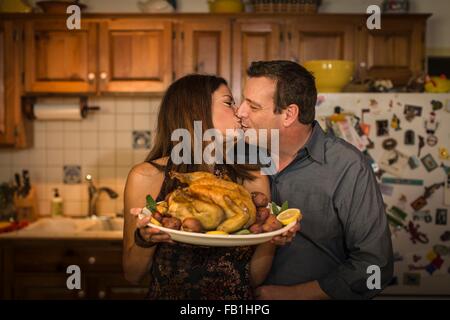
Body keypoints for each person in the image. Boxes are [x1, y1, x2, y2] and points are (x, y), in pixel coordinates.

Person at [122, 74, 298, 300]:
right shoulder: (147, 176)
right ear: (196, 109)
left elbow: (253, 278)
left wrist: (271, 237)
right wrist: (144, 239)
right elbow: (132, 274)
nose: (240, 112)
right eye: (229, 102)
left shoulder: (252, 179)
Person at [236, 61, 394, 300]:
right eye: (242, 101)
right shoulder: (239, 156)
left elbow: (375, 266)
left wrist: (295, 295)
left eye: (253, 106)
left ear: (289, 114)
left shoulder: (347, 166)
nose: (240, 112)